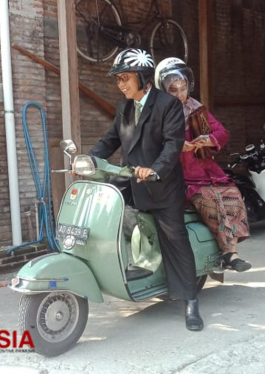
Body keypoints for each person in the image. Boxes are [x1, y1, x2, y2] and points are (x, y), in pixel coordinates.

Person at [88, 48, 204, 332]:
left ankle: (190, 300)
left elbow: (172, 144)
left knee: (175, 238)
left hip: (162, 185)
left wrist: (154, 169)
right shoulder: (124, 106)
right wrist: (89, 159)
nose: (122, 84)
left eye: (126, 78)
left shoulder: (168, 105)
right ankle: (142, 261)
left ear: (142, 77)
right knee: (107, 209)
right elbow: (110, 139)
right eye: (118, 80)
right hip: (131, 180)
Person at [154, 57, 252, 272]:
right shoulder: (159, 115)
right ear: (163, 90)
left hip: (207, 171)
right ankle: (226, 253)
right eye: (174, 90)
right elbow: (154, 143)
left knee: (232, 195)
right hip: (182, 175)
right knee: (210, 200)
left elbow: (222, 132)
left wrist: (209, 140)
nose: (180, 95)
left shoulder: (197, 110)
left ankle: (231, 254)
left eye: (183, 88)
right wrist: (177, 147)